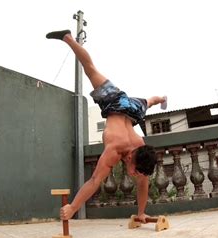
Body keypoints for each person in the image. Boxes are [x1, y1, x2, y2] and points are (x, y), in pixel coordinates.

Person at [46, 29, 167, 223]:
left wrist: (141, 212)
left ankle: (161, 98)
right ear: (129, 157)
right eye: (136, 171)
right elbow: (94, 180)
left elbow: (143, 183)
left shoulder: (141, 150)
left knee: (149, 102)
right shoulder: (114, 149)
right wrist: (73, 207)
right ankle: (67, 37)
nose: (136, 175)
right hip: (115, 102)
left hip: (134, 109)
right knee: (90, 69)